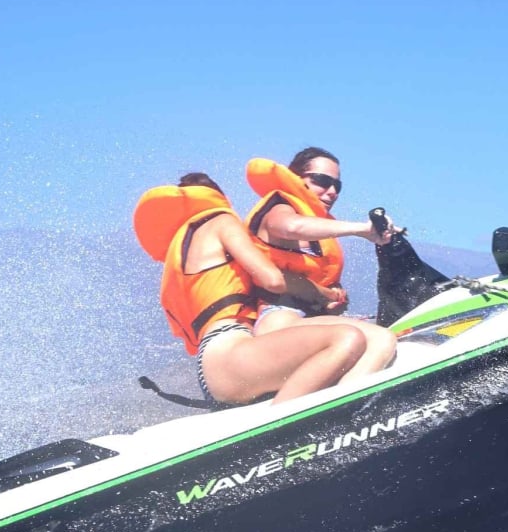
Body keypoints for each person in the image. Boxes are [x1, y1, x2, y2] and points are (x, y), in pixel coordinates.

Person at [133, 173, 368, 406]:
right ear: (219, 196)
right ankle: (278, 428)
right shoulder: (221, 220)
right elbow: (272, 280)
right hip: (230, 352)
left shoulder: (184, 248)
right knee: (346, 339)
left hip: (217, 361)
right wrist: (325, 294)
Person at [243, 148, 399, 373]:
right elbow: (292, 227)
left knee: (384, 337)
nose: (332, 191)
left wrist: (331, 296)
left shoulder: (319, 224)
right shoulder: (279, 208)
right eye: (322, 181)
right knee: (381, 340)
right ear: (296, 179)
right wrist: (362, 229)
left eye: (338, 185)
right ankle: (347, 407)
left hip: (308, 320)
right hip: (280, 319)